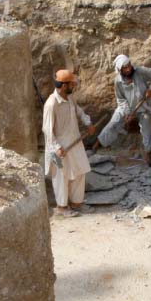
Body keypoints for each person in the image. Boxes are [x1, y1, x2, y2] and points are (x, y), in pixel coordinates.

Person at [43, 70, 96, 218]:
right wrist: (57, 148)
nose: (74, 86)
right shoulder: (51, 104)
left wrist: (88, 122)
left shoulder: (70, 98)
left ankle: (77, 203)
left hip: (74, 143)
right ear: (64, 85)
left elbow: (79, 112)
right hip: (59, 148)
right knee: (61, 175)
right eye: (72, 83)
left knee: (80, 171)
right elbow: (47, 130)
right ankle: (61, 207)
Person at [95, 55, 151, 167]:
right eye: (125, 68)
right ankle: (96, 146)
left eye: (129, 66)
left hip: (144, 106)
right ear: (120, 70)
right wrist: (127, 112)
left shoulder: (140, 72)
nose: (128, 69)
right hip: (125, 107)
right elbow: (121, 99)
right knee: (113, 124)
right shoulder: (117, 81)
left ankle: (148, 156)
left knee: (147, 129)